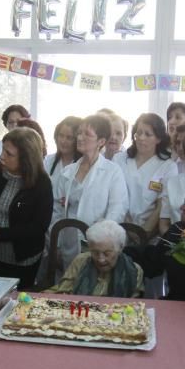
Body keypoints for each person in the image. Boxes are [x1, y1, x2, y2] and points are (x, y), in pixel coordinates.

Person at [0, 127, 53, 289]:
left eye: (9, 154)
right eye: (3, 150)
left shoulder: (41, 183)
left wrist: (0, 233)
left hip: (24, 258)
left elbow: (39, 227)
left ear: (26, 158)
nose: (2, 156)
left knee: (19, 306)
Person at [51, 114, 129, 275]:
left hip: (99, 247)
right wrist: (56, 244)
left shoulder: (112, 171)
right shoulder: (68, 172)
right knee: (69, 286)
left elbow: (118, 209)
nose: (80, 137)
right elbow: (57, 211)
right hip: (69, 242)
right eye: (79, 132)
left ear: (101, 141)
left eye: (87, 134)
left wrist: (102, 238)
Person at [118, 113, 176, 240]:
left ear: (159, 139)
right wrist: (128, 227)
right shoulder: (120, 159)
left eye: (148, 134)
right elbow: (116, 195)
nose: (141, 138)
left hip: (148, 233)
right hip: (118, 225)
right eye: (138, 133)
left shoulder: (168, 166)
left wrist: (142, 234)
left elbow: (161, 206)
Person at [50, 220, 144, 297]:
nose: (100, 259)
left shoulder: (134, 271)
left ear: (119, 249)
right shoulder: (81, 261)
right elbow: (63, 293)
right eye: (95, 252)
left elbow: (133, 306)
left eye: (107, 253)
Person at [45, 116, 82, 184]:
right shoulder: (47, 161)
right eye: (61, 135)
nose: (63, 141)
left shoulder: (82, 165)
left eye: (69, 138)